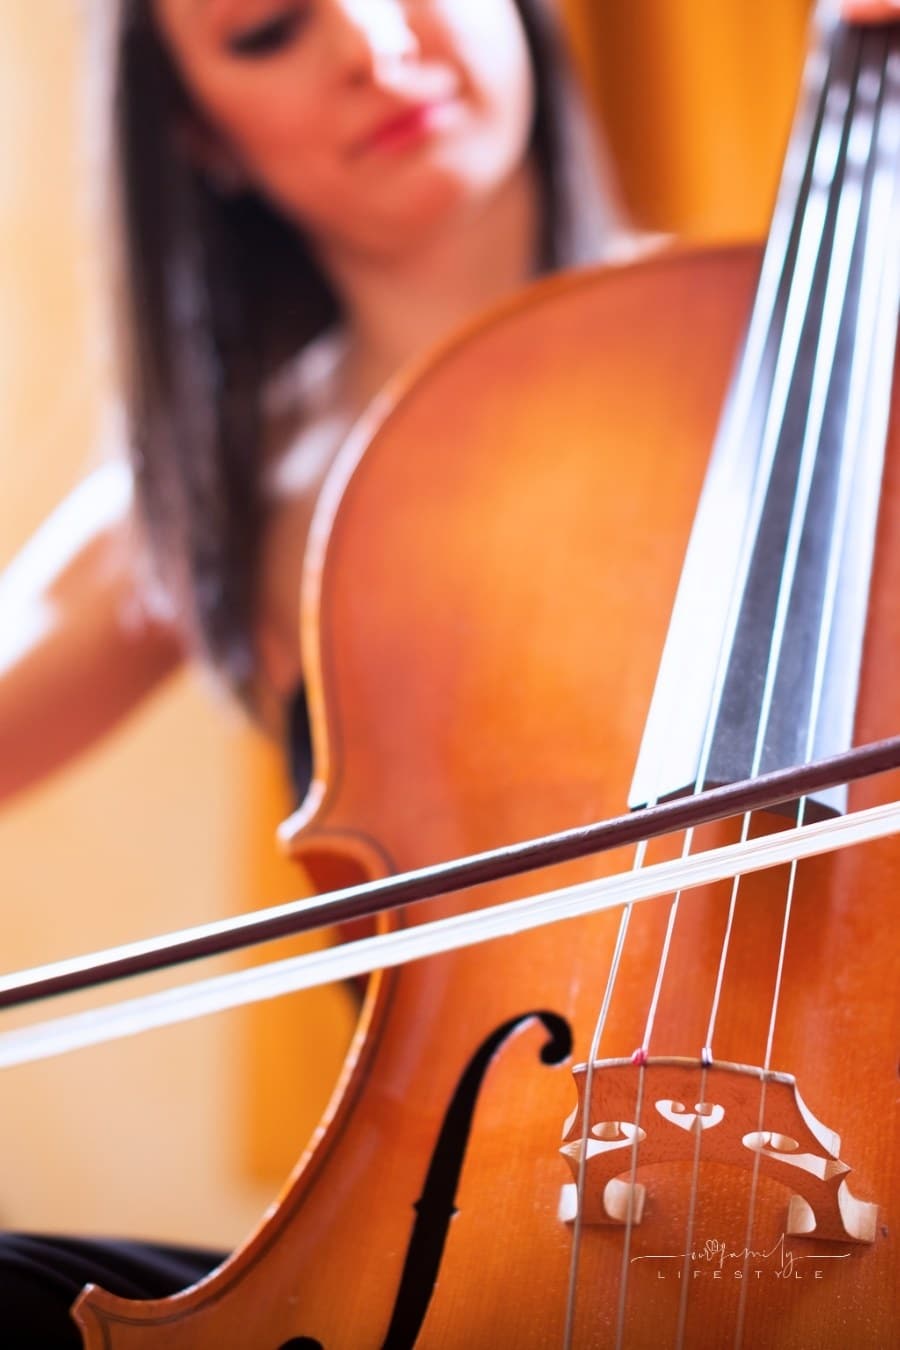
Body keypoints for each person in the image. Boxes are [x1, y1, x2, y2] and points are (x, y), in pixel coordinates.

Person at [0, 1, 625, 1344]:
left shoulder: (812, 351)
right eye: (271, 28)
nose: (374, 48)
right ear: (199, 137)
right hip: (458, 1258)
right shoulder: (230, 489)